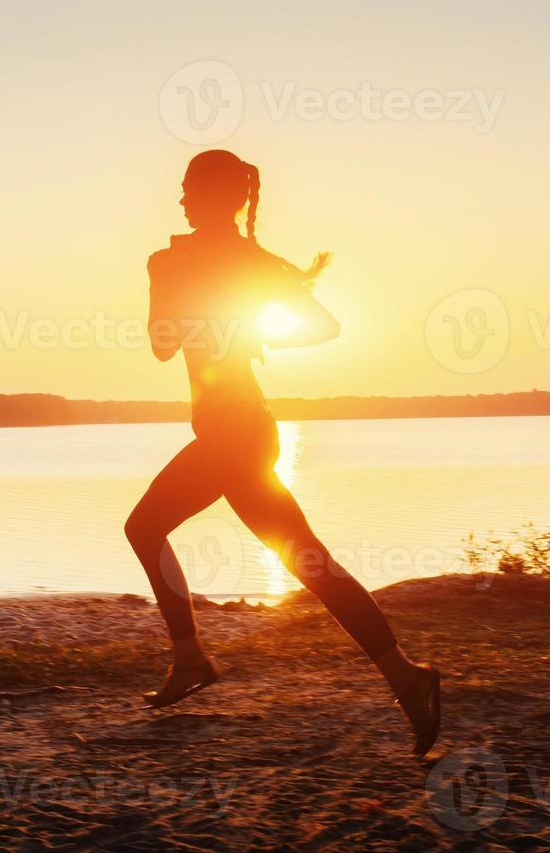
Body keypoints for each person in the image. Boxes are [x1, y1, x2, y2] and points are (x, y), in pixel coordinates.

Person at [124, 148, 441, 757]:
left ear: (218, 197)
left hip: (237, 432)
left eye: (189, 188)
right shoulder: (168, 259)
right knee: (309, 564)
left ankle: (190, 658)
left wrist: (248, 331)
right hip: (230, 431)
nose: (180, 198)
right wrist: (178, 290)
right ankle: (408, 679)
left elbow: (323, 325)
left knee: (145, 527)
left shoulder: (240, 261)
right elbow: (164, 346)